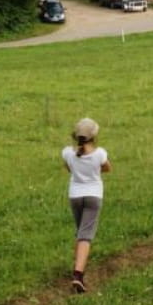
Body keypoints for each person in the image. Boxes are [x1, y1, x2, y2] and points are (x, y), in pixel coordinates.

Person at [61, 117, 111, 293]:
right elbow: (107, 168)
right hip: (93, 196)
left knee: (80, 232)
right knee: (86, 236)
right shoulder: (99, 154)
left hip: (75, 196)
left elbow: (68, 167)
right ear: (94, 137)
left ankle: (78, 267)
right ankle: (78, 275)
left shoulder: (68, 153)